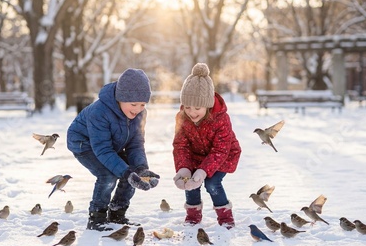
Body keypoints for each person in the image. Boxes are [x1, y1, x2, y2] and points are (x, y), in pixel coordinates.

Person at [67, 68, 160, 231]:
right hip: (84, 143)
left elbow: (135, 144)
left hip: (109, 145)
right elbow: (102, 149)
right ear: (120, 98)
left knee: (132, 173)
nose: (138, 109)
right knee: (108, 174)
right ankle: (97, 218)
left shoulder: (139, 114)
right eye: (133, 104)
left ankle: (117, 213)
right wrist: (125, 172)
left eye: (143, 104)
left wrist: (141, 168)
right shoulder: (99, 112)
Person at [172, 63, 241, 229]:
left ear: (208, 105)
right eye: (187, 106)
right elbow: (181, 145)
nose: (192, 112)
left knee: (211, 183)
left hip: (223, 157)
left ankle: (225, 217)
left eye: (197, 107)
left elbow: (221, 149)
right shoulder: (182, 118)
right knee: (190, 181)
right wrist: (184, 169)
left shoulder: (221, 119)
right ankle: (193, 214)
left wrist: (204, 171)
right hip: (196, 156)